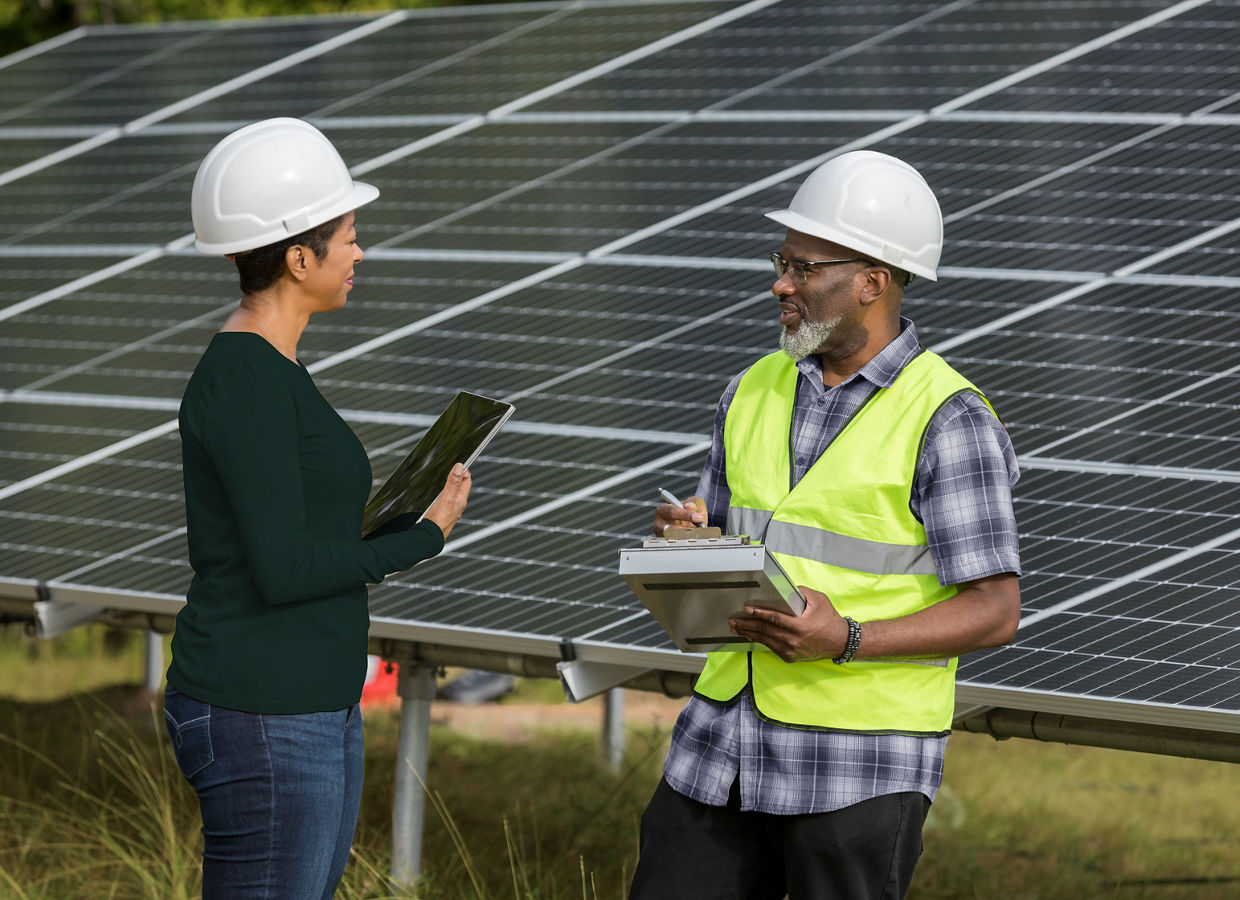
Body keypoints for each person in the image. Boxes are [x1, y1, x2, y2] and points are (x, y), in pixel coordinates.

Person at [628, 150, 1022, 900]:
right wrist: (689, 541)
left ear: (872, 281)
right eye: (783, 261)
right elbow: (729, 539)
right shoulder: (751, 386)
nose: (781, 283)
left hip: (858, 763)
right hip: (722, 744)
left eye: (804, 269)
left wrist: (848, 639)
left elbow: (995, 611)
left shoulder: (948, 418)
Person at [162, 118, 472, 899]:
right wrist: (423, 539)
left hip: (307, 699)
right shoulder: (246, 382)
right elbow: (285, 567)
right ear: (299, 257)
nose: (359, 252)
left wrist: (398, 518)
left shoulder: (278, 370)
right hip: (259, 708)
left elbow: (305, 530)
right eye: (349, 236)